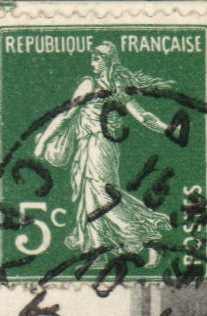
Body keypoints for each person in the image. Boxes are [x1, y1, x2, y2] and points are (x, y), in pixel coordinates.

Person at [34, 41, 175, 259]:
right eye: (92, 58)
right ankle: (99, 246)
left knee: (99, 192)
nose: (93, 63)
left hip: (98, 147)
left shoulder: (103, 87)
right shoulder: (105, 87)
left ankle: (135, 233)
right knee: (93, 193)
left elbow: (142, 116)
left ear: (109, 62)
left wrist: (167, 128)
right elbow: (67, 114)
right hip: (97, 147)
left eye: (98, 59)